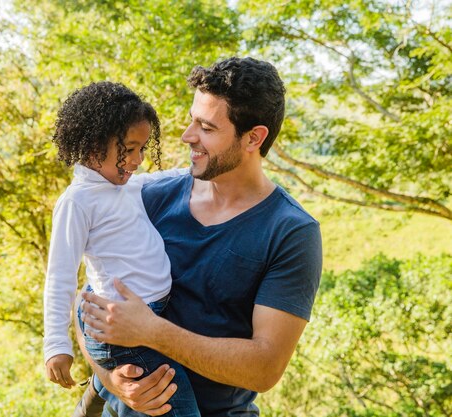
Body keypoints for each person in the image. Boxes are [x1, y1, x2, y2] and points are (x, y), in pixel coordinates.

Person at [78, 57, 323, 416]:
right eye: (192, 119)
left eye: (206, 127)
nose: (187, 135)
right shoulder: (150, 196)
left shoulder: (291, 231)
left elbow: (265, 367)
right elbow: (87, 300)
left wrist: (151, 331)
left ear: (253, 137)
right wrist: (112, 380)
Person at [43, 81, 200, 417]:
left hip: (146, 318)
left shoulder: (125, 186)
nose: (138, 160)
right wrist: (56, 345)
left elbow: (164, 178)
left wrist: (203, 168)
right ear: (94, 144)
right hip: (121, 332)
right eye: (129, 149)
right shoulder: (78, 201)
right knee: (178, 403)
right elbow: (59, 277)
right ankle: (101, 389)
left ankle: (96, 396)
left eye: (142, 149)